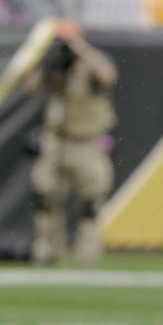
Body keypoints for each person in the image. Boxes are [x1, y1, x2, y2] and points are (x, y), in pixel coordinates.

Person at [28, 20, 117, 265]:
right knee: (45, 196)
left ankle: (87, 253)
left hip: (86, 141)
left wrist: (81, 50)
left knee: (91, 200)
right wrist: (48, 59)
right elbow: (30, 86)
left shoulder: (90, 63)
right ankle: (47, 249)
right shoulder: (54, 66)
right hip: (56, 140)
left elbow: (108, 76)